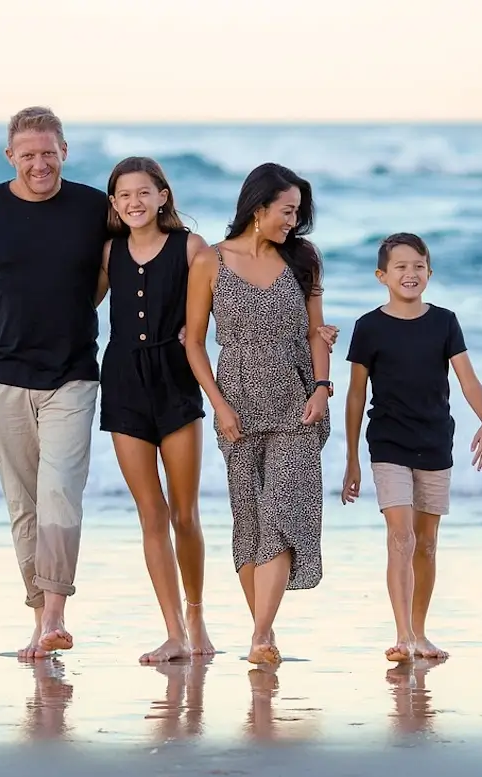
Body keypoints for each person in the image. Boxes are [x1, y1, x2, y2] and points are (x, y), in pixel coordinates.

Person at [0, 106, 109, 659]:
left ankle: (55, 614)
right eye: (28, 154)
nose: (40, 164)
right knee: (24, 503)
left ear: (65, 151)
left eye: (49, 153)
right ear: (11, 156)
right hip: (0, 378)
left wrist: (78, 313)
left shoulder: (92, 206)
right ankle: (40, 620)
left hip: (73, 374)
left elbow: (117, 266)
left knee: (60, 494)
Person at [184, 162, 338, 666]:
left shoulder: (304, 259)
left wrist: (321, 387)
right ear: (258, 208)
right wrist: (218, 403)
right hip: (238, 404)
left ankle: (262, 634)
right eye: (287, 211)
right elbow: (194, 343)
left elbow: (317, 332)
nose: (293, 222)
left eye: (298, 213)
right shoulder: (210, 261)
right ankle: (263, 637)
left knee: (280, 513)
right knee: (248, 522)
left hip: (297, 401)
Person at [341, 232, 482, 663]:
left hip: (434, 442)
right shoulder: (368, 327)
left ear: (430, 272)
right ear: (382, 276)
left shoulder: (445, 321)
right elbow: (356, 395)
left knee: (426, 543)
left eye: (419, 267)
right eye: (401, 267)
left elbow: (466, 377)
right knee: (401, 536)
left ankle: (421, 632)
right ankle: (402, 635)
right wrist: (352, 457)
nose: (411, 274)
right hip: (388, 443)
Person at [94, 156, 214, 663]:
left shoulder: (191, 247)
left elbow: (223, 303)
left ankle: (195, 615)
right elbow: (77, 308)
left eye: (144, 193)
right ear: (114, 204)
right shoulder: (109, 252)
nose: (134, 203)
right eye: (124, 195)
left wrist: (198, 330)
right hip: (122, 381)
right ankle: (172, 632)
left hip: (176, 381)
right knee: (151, 512)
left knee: (184, 513)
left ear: (162, 196)